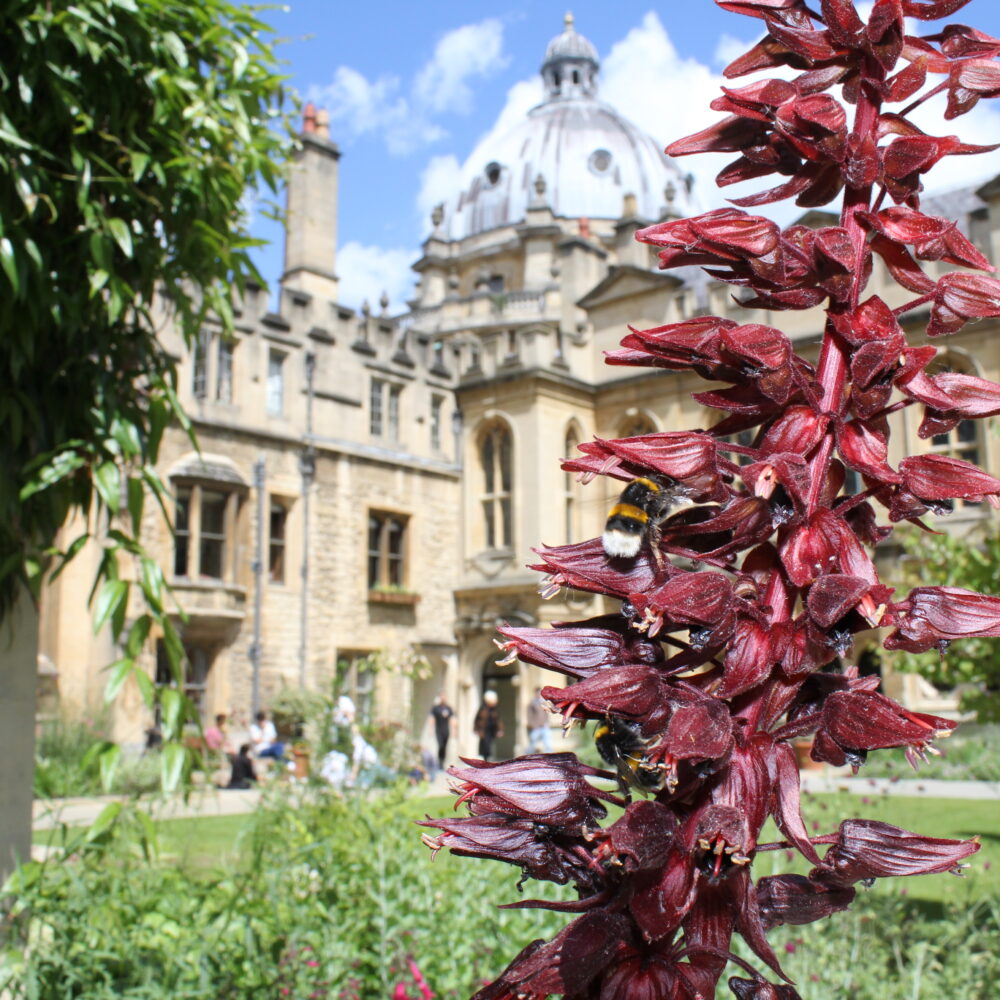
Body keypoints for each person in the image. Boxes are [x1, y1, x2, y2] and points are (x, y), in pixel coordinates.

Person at [473, 689, 503, 761]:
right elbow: (477, 719)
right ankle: (484, 759)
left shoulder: (494, 710)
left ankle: (487, 759)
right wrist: (476, 729)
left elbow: (498, 720)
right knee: (484, 745)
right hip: (484, 731)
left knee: (489, 745)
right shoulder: (482, 708)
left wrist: (500, 730)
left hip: (491, 731)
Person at [429, 692, 455, 769]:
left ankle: (442, 761)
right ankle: (439, 762)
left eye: (444, 696)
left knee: (444, 746)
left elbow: (452, 719)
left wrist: (454, 730)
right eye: (441, 696)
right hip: (438, 730)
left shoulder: (448, 708)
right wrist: (430, 729)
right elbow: (432, 719)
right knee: (440, 745)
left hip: (446, 730)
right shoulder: (436, 708)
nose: (443, 698)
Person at [526, 687, 552, 753]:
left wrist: (547, 722)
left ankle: (550, 757)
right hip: (536, 727)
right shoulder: (532, 703)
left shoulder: (543, 702)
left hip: (544, 726)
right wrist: (532, 725)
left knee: (548, 743)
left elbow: (547, 713)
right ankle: (528, 757)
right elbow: (529, 715)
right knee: (532, 743)